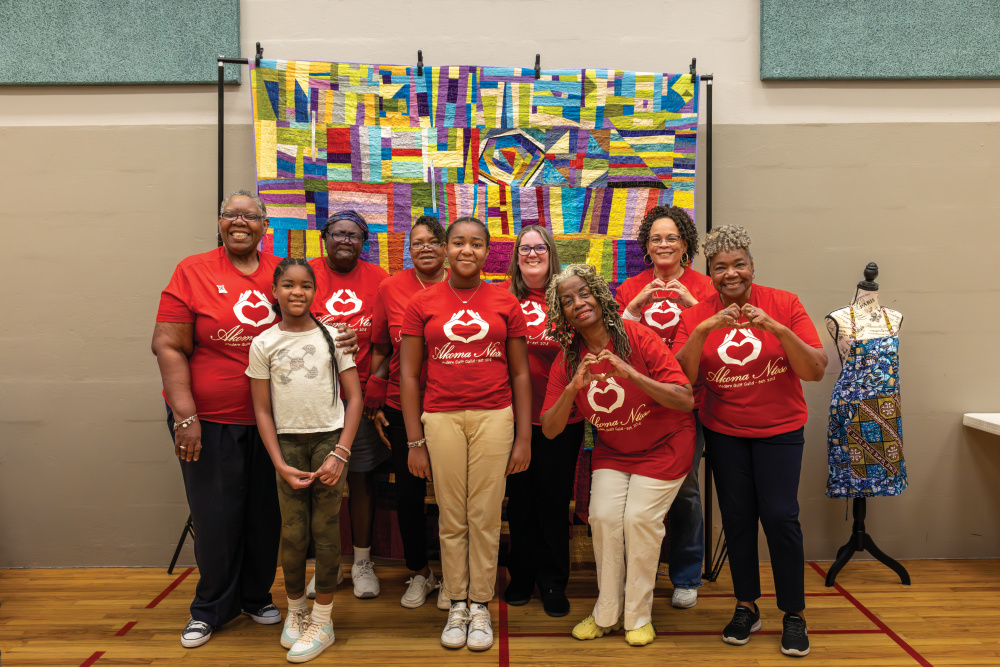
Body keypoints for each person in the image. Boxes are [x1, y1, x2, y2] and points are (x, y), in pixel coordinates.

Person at [151, 190, 356, 648]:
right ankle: (210, 607)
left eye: (251, 216)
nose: (240, 222)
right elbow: (167, 343)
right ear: (219, 222)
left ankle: (256, 596)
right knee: (216, 516)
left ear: (266, 225)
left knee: (268, 516)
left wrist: (343, 335)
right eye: (231, 215)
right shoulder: (193, 270)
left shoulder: (278, 272)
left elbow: (310, 321)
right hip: (213, 419)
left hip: (280, 425)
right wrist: (185, 416)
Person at [673, 225, 828, 658]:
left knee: (780, 518)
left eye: (738, 264)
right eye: (720, 267)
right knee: (738, 520)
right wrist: (702, 330)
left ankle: (793, 613)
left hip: (780, 431)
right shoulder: (696, 315)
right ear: (711, 272)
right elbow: (682, 381)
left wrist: (776, 328)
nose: (730, 274)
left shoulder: (784, 303)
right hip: (725, 433)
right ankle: (746, 606)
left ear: (752, 266)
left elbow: (814, 369)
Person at [540, 264, 696, 647]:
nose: (578, 303)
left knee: (640, 520)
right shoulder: (567, 359)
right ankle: (606, 611)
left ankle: (638, 615)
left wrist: (631, 373)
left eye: (584, 293)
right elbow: (549, 428)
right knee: (604, 517)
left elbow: (685, 399)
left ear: (599, 295)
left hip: (666, 445)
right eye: (567, 300)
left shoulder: (637, 337)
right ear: (561, 315)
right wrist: (573, 386)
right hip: (614, 450)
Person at [399, 216, 531, 651]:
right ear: (446, 248)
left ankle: (480, 605)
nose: (466, 251)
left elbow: (519, 373)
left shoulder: (504, 302)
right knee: (452, 515)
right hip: (441, 419)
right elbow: (410, 376)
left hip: (495, 416)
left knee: (486, 515)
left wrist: (524, 437)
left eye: (476, 244)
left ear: (488, 250)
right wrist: (415, 441)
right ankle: (456, 601)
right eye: (458, 243)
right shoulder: (423, 302)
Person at [247, 258, 363, 663]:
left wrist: (340, 452)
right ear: (274, 292)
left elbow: (356, 398)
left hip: (329, 443)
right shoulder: (263, 343)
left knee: (325, 530)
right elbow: (262, 410)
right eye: (288, 285)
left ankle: (323, 619)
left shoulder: (334, 338)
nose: (297, 292)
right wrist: (278, 462)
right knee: (293, 534)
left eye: (306, 286)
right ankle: (295, 612)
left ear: (316, 291)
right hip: (288, 445)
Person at [614, 205, 714, 610]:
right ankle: (636, 575)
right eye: (656, 238)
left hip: (689, 403)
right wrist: (634, 305)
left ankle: (686, 575)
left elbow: (721, 341)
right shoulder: (629, 287)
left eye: (672, 237)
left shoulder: (705, 287)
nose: (664, 244)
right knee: (634, 496)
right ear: (647, 246)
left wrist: (693, 304)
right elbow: (613, 342)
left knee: (685, 491)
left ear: (685, 243)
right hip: (638, 408)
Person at [499, 225, 586, 617]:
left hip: (561, 419)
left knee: (553, 503)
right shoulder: (502, 299)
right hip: (513, 421)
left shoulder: (569, 297)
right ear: (516, 257)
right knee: (519, 502)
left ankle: (552, 580)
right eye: (524, 248)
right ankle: (519, 575)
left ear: (551, 254)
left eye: (539, 248)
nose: (532, 254)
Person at [367, 215, 450, 610]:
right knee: (409, 493)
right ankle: (420, 572)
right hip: (404, 406)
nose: (426, 248)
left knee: (454, 494)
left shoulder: (461, 285)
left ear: (447, 247)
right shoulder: (390, 288)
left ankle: (454, 575)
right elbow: (382, 349)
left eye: (434, 241)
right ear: (408, 248)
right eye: (418, 242)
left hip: (453, 404)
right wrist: (376, 400)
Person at [308, 210, 389, 600]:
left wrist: (376, 381)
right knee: (321, 486)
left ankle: (361, 561)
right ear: (324, 237)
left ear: (364, 242)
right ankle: (327, 565)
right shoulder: (305, 273)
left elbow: (391, 338)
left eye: (354, 235)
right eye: (338, 234)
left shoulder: (380, 279)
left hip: (361, 401)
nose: (345, 240)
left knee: (360, 479)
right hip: (311, 400)